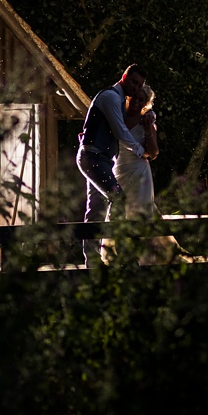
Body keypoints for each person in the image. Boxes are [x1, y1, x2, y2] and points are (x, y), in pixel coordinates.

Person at [104, 84, 189, 265]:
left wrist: (149, 129)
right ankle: (115, 255)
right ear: (129, 96)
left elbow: (153, 152)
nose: (136, 101)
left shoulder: (146, 122)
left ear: (146, 103)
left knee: (141, 211)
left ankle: (145, 257)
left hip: (140, 171)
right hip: (119, 168)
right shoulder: (117, 116)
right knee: (118, 208)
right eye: (135, 96)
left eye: (141, 99)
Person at [76, 63, 149, 269]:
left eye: (139, 85)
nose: (136, 87)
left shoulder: (117, 100)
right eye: (134, 82)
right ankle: (117, 252)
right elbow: (120, 131)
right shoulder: (110, 97)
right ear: (124, 77)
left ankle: (92, 259)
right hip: (93, 157)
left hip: (102, 159)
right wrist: (139, 150)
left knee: (96, 209)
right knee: (118, 198)